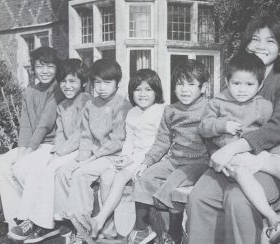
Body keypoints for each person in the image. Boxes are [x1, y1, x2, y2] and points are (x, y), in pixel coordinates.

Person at [186, 15, 280, 244]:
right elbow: (210, 125)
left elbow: (278, 129)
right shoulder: (234, 81)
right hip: (231, 161)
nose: (261, 46)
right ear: (246, 43)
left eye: (271, 41)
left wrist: (232, 149)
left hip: (277, 161)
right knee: (199, 197)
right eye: (255, 39)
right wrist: (222, 156)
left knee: (238, 199)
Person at [7, 59, 92, 243]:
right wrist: (56, 152)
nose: (67, 86)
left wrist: (59, 154)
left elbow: (81, 134)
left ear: (83, 83)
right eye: (63, 81)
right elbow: (60, 133)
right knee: (35, 168)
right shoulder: (62, 106)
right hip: (65, 150)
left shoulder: (86, 101)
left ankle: (41, 224)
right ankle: (26, 217)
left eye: (72, 81)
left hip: (83, 149)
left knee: (49, 171)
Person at [127, 59, 210, 244]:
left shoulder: (209, 109)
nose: (184, 89)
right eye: (180, 84)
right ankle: (143, 228)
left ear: (203, 87)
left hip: (199, 163)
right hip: (174, 161)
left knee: (170, 186)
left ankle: (175, 234)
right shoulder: (170, 110)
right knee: (144, 178)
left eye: (191, 84)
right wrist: (146, 162)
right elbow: (162, 141)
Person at [53, 59, 132, 240]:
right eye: (97, 82)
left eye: (107, 82)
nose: (102, 87)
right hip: (93, 155)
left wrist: (91, 158)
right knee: (63, 172)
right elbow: (85, 136)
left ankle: (83, 223)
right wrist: (82, 157)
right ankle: (66, 221)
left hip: (112, 156)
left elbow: (117, 141)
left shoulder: (122, 105)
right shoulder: (91, 105)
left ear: (117, 83)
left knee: (81, 175)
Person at [0, 47, 65, 230]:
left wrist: (27, 152)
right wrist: (21, 149)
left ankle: (32, 217)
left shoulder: (58, 89)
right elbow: (25, 124)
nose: (45, 71)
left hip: (50, 144)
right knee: (1, 163)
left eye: (50, 67)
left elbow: (44, 125)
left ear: (57, 68)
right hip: (34, 144)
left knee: (23, 167)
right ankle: (16, 215)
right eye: (40, 67)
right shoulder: (30, 91)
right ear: (33, 68)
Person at [89, 69, 166, 239]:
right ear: (131, 92)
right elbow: (129, 141)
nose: (142, 94)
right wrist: (124, 157)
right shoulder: (132, 112)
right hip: (133, 156)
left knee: (121, 176)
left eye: (148, 90)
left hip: (152, 157)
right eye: (137, 89)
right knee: (107, 176)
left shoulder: (161, 111)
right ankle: (110, 227)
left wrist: (132, 161)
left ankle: (99, 219)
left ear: (156, 91)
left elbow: (161, 143)